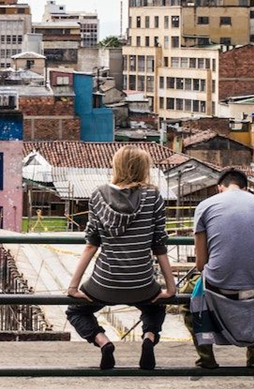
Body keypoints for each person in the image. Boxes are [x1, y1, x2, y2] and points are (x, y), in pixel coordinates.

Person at [65, 146, 176, 370]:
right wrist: (171, 288)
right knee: (155, 307)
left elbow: (91, 245)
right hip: (142, 282)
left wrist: (73, 286)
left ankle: (103, 342)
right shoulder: (152, 196)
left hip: (104, 282)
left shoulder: (97, 195)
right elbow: (159, 245)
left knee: (75, 310)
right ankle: (148, 339)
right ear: (143, 169)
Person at [182, 168, 254, 369]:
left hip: (217, 286)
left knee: (186, 302)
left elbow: (200, 264)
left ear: (220, 188)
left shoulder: (205, 206)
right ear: (246, 188)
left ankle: (206, 357)